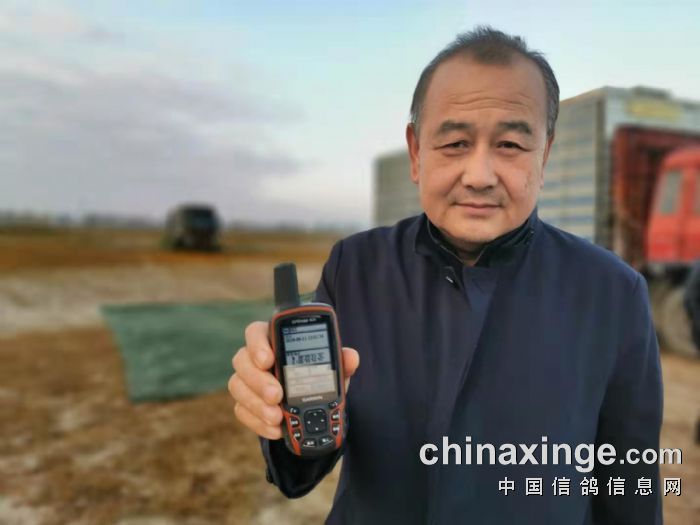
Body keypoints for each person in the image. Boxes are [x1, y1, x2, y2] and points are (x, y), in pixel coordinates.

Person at [228, 26, 663, 524]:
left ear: (544, 155)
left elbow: (630, 489)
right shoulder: (356, 267)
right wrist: (276, 409)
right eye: (455, 143)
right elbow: (301, 469)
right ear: (416, 152)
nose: (479, 176)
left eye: (510, 145)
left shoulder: (613, 293)